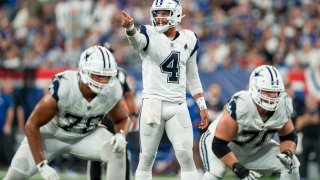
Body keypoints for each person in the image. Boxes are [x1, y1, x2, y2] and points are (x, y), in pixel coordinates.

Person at [4, 45, 130, 180]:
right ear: (84, 71)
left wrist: (121, 135)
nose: (102, 81)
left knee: (117, 150)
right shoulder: (65, 87)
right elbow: (31, 125)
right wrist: (41, 164)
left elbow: (122, 119)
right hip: (51, 136)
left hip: (85, 136)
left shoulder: (113, 89)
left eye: (106, 76)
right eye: (97, 75)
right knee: (14, 176)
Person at [121, 0, 209, 179]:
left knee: (186, 157)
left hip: (177, 105)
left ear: (176, 14)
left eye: (165, 13)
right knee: (146, 159)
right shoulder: (149, 32)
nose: (160, 17)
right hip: (153, 104)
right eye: (158, 13)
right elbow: (137, 42)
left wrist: (202, 105)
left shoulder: (189, 39)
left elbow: (192, 76)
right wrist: (130, 29)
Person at [199, 65, 300, 180]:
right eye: (267, 91)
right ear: (254, 88)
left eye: (276, 91)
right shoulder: (241, 104)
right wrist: (240, 170)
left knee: (291, 164)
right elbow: (218, 145)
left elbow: (289, 137)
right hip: (220, 144)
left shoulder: (282, 105)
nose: (272, 96)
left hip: (253, 148)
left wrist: (287, 153)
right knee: (215, 173)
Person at [87, 43, 138, 180]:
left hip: (117, 116)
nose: (108, 55)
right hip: (98, 116)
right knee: (94, 152)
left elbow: (128, 96)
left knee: (121, 148)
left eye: (110, 52)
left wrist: (133, 114)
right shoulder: (90, 71)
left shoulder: (120, 73)